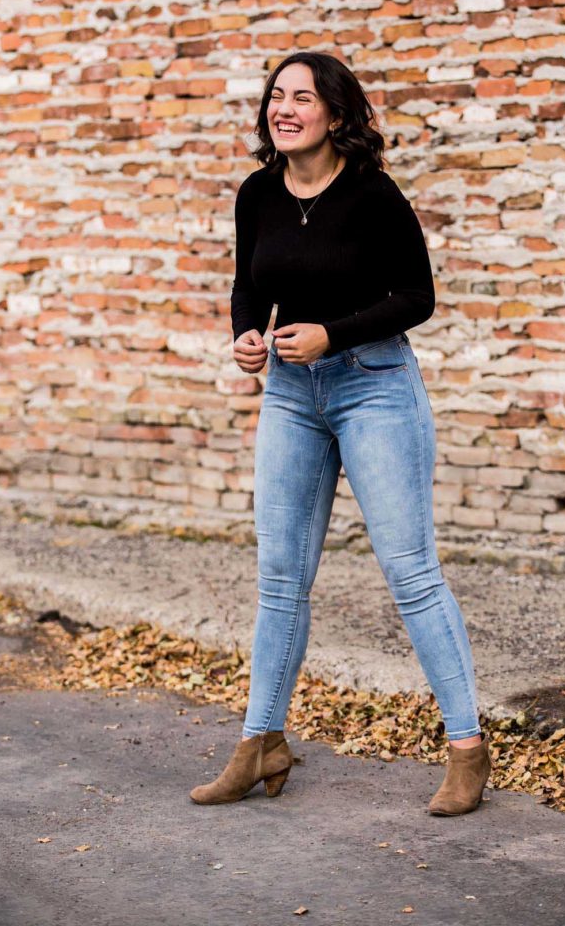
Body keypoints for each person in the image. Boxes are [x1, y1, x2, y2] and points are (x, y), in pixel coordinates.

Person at [190, 51, 491, 815]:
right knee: (281, 579)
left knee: (410, 571)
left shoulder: (372, 195)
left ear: (335, 113)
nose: (284, 108)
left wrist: (334, 333)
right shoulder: (258, 192)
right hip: (291, 392)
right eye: (276, 97)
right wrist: (246, 338)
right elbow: (248, 287)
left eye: (302, 97)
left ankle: (466, 748)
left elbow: (417, 297)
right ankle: (261, 743)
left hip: (376, 388)